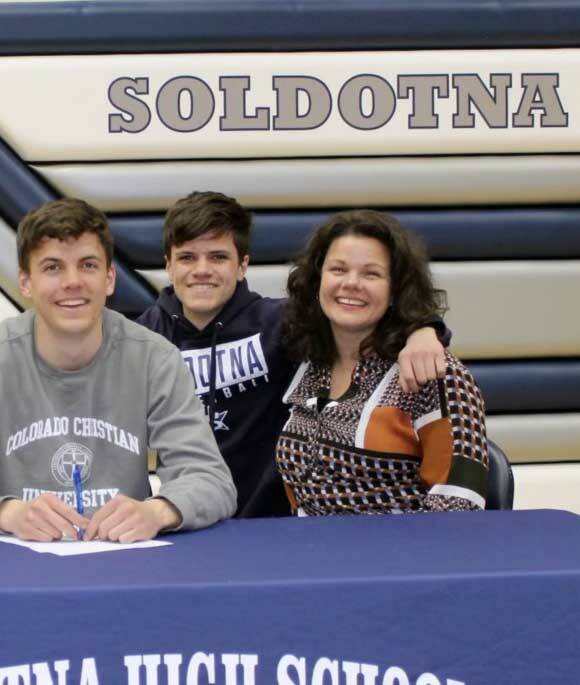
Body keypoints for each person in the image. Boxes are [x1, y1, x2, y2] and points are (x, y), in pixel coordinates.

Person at [0, 198, 236, 542]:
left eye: (88, 265)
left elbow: (211, 480)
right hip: (15, 565)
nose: (72, 281)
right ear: (26, 282)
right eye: (52, 268)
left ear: (109, 278)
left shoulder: (156, 360)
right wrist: (8, 513)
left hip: (123, 562)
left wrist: (157, 510)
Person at [137, 191, 448, 518]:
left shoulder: (281, 323)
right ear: (168, 265)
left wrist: (425, 330)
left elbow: (356, 310)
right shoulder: (143, 337)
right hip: (186, 517)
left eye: (218, 257)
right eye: (187, 257)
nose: (202, 270)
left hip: (270, 524)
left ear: (243, 265)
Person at [277, 209, 488, 514]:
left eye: (371, 274)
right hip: (309, 552)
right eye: (338, 269)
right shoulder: (309, 365)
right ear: (318, 279)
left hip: (406, 558)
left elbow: (459, 508)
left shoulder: (434, 374)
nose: (351, 283)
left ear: (395, 291)